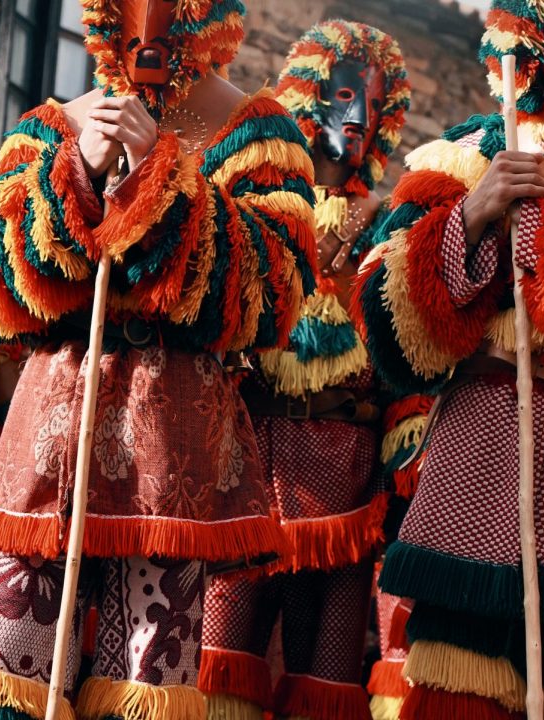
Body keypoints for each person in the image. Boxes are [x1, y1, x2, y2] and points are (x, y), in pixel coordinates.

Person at [0, 0, 318, 718]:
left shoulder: (258, 133)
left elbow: (276, 295)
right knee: (0, 674)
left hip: (172, 454)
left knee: (144, 688)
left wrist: (162, 184)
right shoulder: (48, 127)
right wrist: (73, 176)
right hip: (46, 443)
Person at [357, 0, 544, 716]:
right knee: (459, 690)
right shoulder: (462, 154)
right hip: (479, 464)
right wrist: (471, 216)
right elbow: (390, 334)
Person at [197, 20, 418, 720]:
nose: (356, 118)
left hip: (346, 490)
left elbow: (401, 347)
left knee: (324, 683)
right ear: (308, 95)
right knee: (220, 664)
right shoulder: (254, 200)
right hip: (248, 470)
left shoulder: (391, 221)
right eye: (343, 96)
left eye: (373, 106)